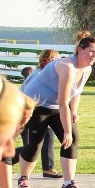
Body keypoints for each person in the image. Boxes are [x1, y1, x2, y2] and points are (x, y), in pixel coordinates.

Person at [18, 30, 95, 188]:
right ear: (80, 49)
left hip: (56, 107)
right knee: (35, 144)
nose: (94, 55)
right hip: (36, 105)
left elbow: (76, 93)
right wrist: (66, 131)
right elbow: (63, 101)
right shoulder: (66, 66)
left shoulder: (87, 69)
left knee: (72, 140)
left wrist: (74, 113)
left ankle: (68, 184)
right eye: (91, 51)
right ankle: (23, 179)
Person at [22, 48, 63, 178]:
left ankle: (48, 168)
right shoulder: (38, 74)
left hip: (45, 111)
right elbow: (28, 94)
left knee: (48, 138)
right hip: (32, 111)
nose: (56, 62)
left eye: (57, 59)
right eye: (53, 59)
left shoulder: (50, 74)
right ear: (44, 61)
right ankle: (0, 162)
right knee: (31, 147)